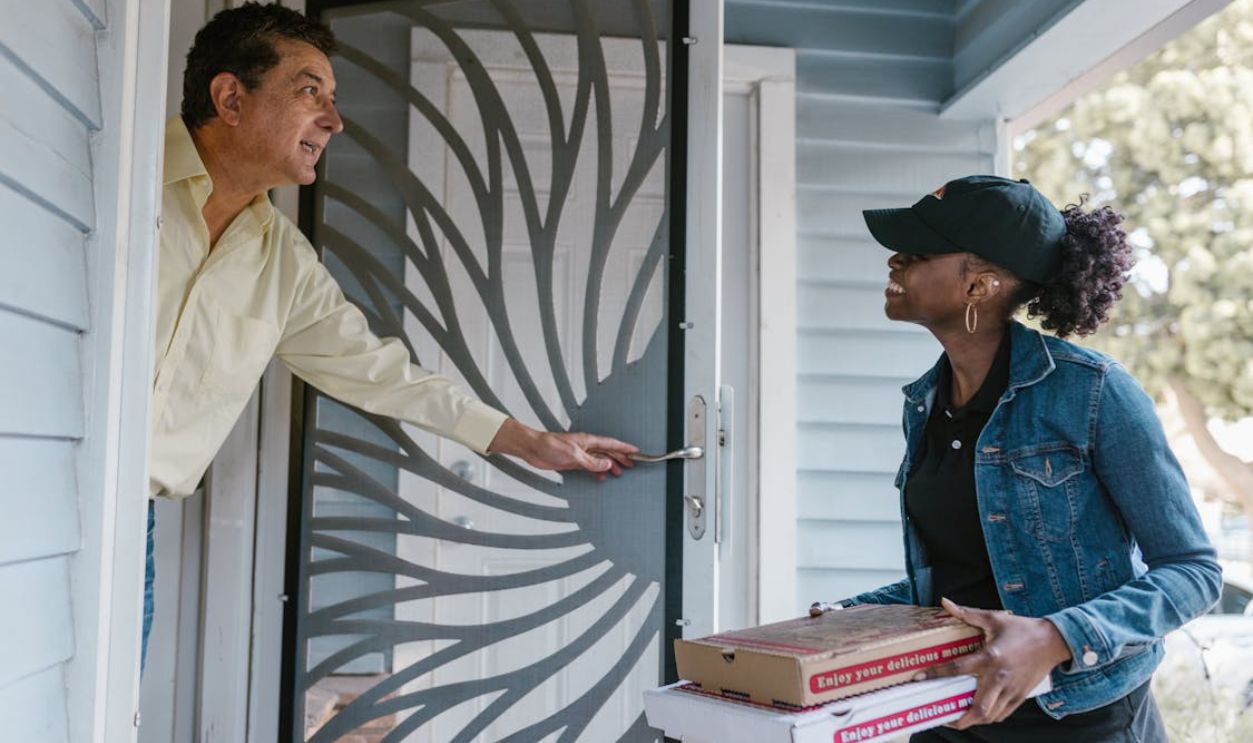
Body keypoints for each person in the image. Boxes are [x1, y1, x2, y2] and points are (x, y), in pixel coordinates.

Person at [144, 3, 637, 669]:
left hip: (131, 525)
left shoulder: (281, 262)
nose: (333, 120)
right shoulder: (125, 177)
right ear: (231, 97)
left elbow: (382, 373)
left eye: (332, 98)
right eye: (309, 90)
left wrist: (528, 441)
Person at [816, 175, 1221, 741]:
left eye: (919, 252)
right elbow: (963, 580)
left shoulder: (1095, 392)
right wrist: (845, 618)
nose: (895, 261)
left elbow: (1193, 573)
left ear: (979, 286)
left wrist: (1055, 636)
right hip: (951, 709)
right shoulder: (925, 404)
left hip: (1078, 719)